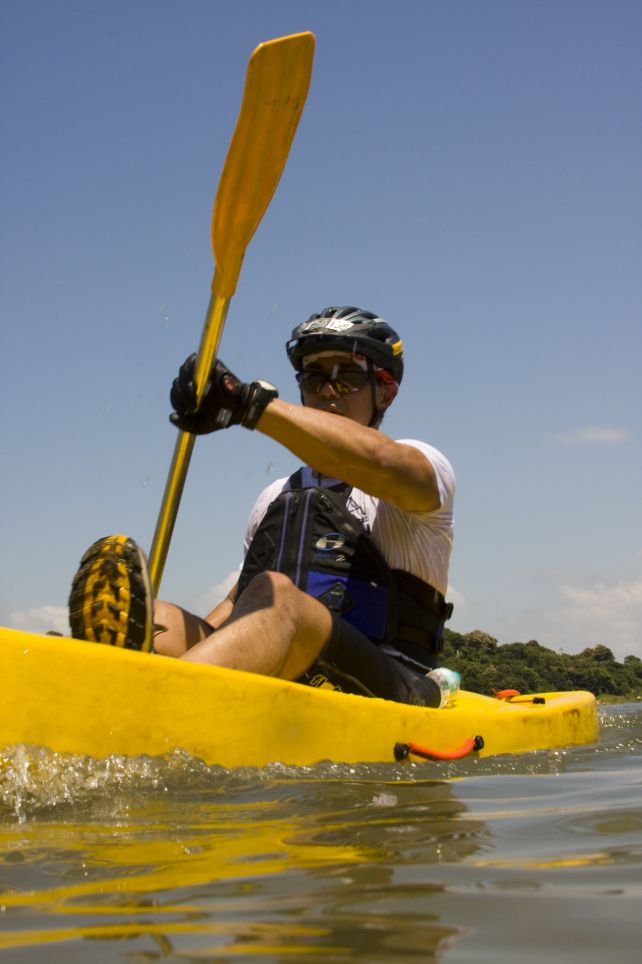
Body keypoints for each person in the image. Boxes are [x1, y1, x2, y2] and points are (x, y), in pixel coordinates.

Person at [69, 307, 455, 706]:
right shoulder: (273, 498)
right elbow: (239, 605)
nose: (327, 391)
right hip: (291, 668)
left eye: (349, 376)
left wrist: (249, 405)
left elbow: (381, 461)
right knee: (161, 618)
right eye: (314, 376)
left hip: (396, 683)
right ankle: (111, 686)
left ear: (386, 391)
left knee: (279, 597)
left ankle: (150, 708)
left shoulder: (423, 466)